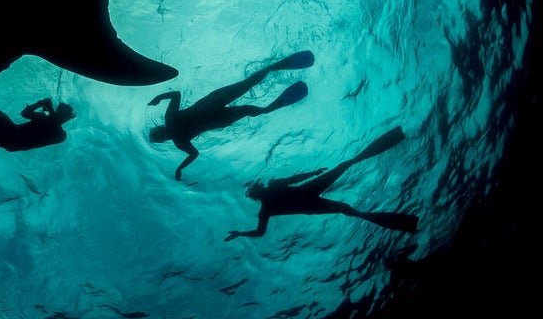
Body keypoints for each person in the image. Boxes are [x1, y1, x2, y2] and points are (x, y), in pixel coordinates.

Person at [225, 126, 419, 240]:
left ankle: (394, 137)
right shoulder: (267, 206)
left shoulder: (267, 205)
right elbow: (260, 232)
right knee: (347, 203)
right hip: (310, 197)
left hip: (309, 196)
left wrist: (314, 172)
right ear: (257, 192)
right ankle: (405, 223)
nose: (257, 190)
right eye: (255, 190)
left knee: (347, 196)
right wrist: (241, 234)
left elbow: (260, 232)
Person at [148, 50, 314, 180]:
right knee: (252, 101)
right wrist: (158, 98)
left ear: (162, 135)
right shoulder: (176, 135)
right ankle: (274, 87)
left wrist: (180, 168)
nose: (161, 133)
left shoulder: (175, 131)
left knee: (249, 90)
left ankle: (274, 72)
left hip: (214, 107)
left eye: (157, 133)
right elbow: (176, 95)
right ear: (161, 135)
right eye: (157, 134)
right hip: (215, 112)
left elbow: (176, 95)